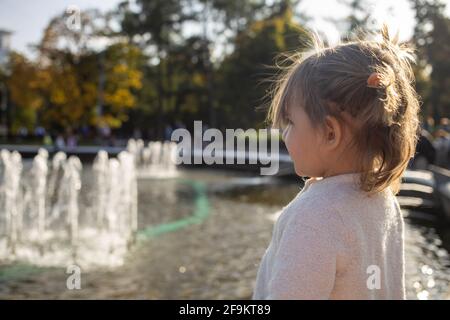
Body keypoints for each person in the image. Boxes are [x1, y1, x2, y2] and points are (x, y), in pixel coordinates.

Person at [253, 26, 420, 300]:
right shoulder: (384, 201)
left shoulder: (314, 217)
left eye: (291, 122)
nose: (284, 134)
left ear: (330, 133)